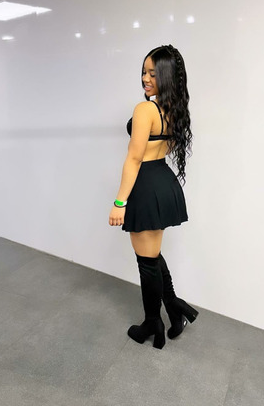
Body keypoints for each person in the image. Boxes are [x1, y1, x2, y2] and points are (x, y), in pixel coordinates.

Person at [108, 45, 198, 350]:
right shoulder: (175, 110)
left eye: (153, 73)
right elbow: (163, 148)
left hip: (145, 185)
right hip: (164, 182)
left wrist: (120, 202)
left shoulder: (145, 110)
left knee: (146, 261)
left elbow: (134, 158)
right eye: (144, 72)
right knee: (152, 255)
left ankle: (152, 323)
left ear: (166, 76)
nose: (146, 78)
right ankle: (174, 308)